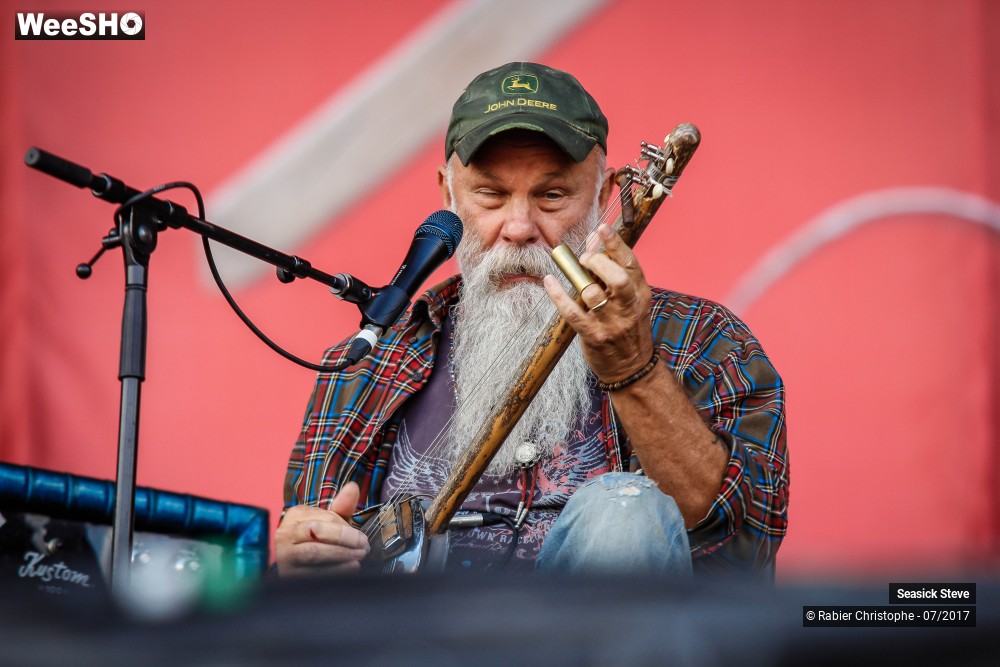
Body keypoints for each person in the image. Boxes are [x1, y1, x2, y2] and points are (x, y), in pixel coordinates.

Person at [275, 62, 787, 577]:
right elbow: (310, 578)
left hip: (601, 652)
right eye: (490, 195)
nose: (519, 227)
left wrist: (634, 368)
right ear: (447, 195)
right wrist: (305, 564)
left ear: (605, 195)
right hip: (420, 649)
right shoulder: (364, 366)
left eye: (552, 196)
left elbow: (745, 549)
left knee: (624, 511)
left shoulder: (703, 340)